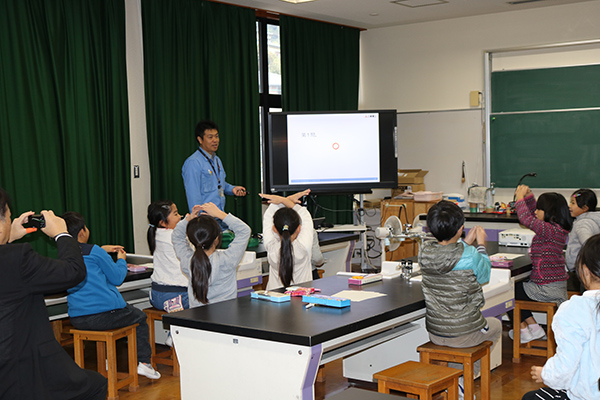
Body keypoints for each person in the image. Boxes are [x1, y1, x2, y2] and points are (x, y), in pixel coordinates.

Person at [0, 188, 107, 399]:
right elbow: (73, 272)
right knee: (96, 386)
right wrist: (62, 234)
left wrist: (8, 237)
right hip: (21, 366)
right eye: (8, 217)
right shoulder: (18, 259)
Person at [61, 211, 161, 380]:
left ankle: (107, 362)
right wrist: (121, 259)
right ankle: (144, 363)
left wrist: (101, 250)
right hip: (103, 316)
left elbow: (85, 258)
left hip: (78, 318)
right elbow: (117, 277)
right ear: (82, 232)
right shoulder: (94, 251)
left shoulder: (63, 254)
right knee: (139, 316)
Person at [419, 200, 502, 397]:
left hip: (436, 332)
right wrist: (481, 245)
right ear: (460, 228)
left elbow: (447, 259)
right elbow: (484, 275)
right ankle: (465, 380)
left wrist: (464, 243)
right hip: (464, 334)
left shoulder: (424, 251)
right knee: (496, 326)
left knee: (464, 333)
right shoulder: (471, 254)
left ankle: (453, 381)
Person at [521, 234, 600, 400]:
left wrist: (546, 374)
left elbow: (566, 366)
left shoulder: (575, 309)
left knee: (531, 397)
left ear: (586, 271)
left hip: (587, 394)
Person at [510, 185, 572, 343]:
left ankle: (523, 330)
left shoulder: (549, 230)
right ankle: (534, 328)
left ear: (549, 212)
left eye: (539, 209)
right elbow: (532, 215)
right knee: (517, 287)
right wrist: (529, 197)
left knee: (508, 291)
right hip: (554, 286)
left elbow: (526, 218)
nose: (535, 211)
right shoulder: (556, 229)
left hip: (547, 289)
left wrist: (519, 198)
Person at [172, 202, 250, 307]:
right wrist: (220, 214)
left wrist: (189, 219)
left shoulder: (188, 261)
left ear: (191, 239)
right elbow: (244, 231)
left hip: (197, 320)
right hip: (226, 320)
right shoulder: (228, 260)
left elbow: (177, 235)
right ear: (217, 238)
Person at [182, 120, 246, 216]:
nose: (215, 140)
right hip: (205, 220)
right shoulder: (193, 163)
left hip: (220, 216)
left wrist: (232, 189)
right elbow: (193, 196)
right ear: (200, 139)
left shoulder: (217, 160)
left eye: (216, 136)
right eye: (210, 137)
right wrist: (199, 221)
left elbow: (219, 183)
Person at [260, 189, 316, 290]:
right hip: (301, 300)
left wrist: (284, 200)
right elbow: (304, 214)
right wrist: (285, 200)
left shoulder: (270, 245)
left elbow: (269, 215)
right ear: (299, 228)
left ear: (274, 229)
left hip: (274, 300)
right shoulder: (304, 246)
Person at [147, 200, 189, 312]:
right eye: (175, 214)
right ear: (163, 222)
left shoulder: (155, 233)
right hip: (177, 296)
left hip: (156, 295)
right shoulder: (174, 236)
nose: (180, 216)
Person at [565, 189, 600, 272]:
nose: (569, 206)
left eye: (573, 203)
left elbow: (588, 245)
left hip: (581, 270)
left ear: (584, 208)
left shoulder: (583, 224)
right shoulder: (590, 220)